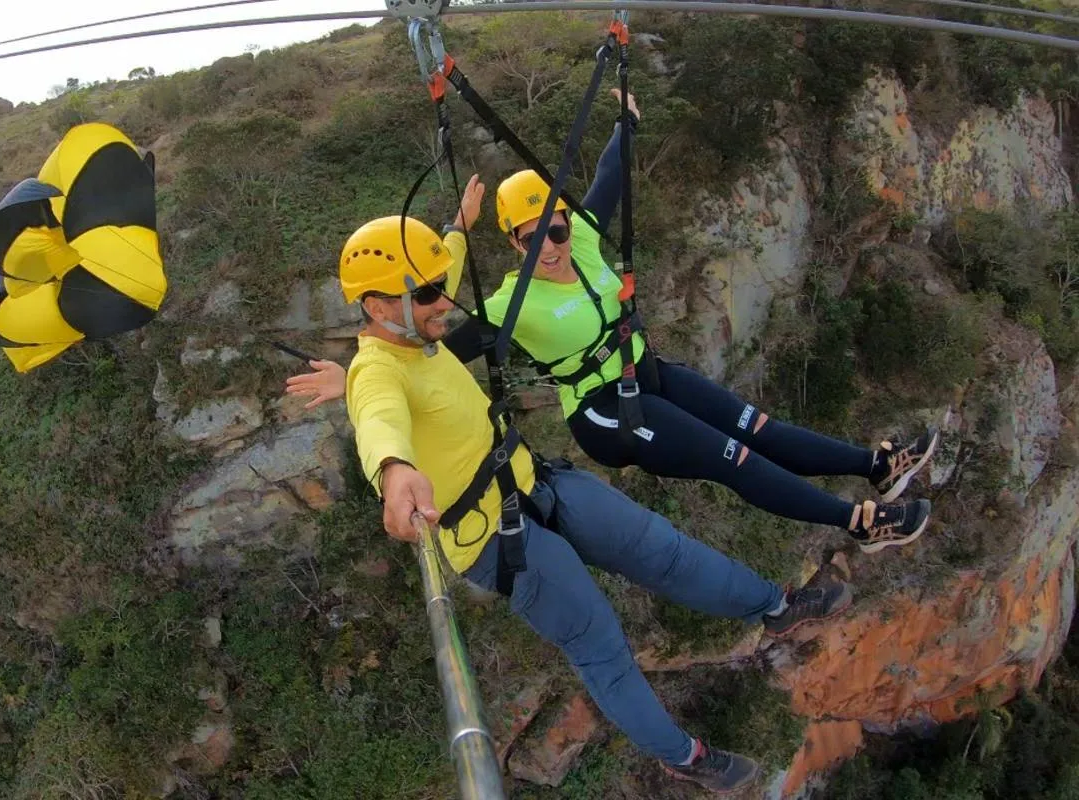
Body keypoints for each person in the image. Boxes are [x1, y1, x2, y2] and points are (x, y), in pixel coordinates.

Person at [336, 196, 854, 793]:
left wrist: (456, 228)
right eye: (426, 295)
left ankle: (775, 607)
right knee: (601, 643)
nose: (443, 304)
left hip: (537, 481)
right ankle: (684, 756)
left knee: (663, 548)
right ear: (378, 306)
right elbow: (378, 421)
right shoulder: (375, 372)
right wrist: (395, 470)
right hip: (496, 540)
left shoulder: (414, 318)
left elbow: (443, 265)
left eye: (437, 287)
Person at [288, 90, 939, 555]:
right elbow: (431, 350)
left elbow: (607, 175)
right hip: (604, 411)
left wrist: (624, 117)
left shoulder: (588, 239)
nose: (549, 243)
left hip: (646, 372)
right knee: (735, 457)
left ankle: (873, 465)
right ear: (514, 245)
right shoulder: (510, 304)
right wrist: (353, 373)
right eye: (528, 237)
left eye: (555, 227)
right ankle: (859, 521)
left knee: (755, 424)